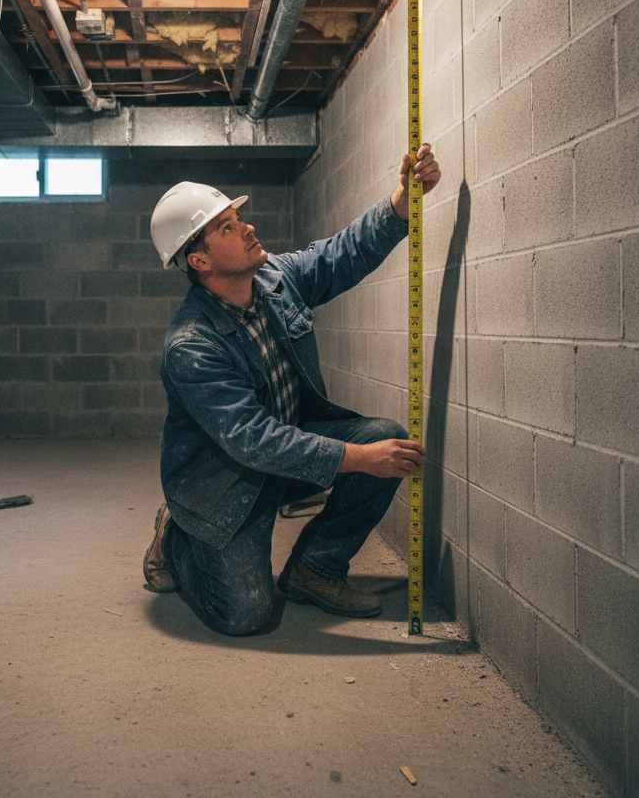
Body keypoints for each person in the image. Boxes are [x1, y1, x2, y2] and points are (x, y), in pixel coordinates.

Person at [144, 145, 441, 635]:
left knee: (384, 435)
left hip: (287, 452)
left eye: (237, 218)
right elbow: (252, 439)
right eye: (227, 227)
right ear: (199, 260)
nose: (247, 228)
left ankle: (314, 569)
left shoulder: (275, 280)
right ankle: (177, 537)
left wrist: (400, 204)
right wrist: (359, 459)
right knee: (246, 615)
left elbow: (339, 256)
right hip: (226, 482)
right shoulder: (191, 347)